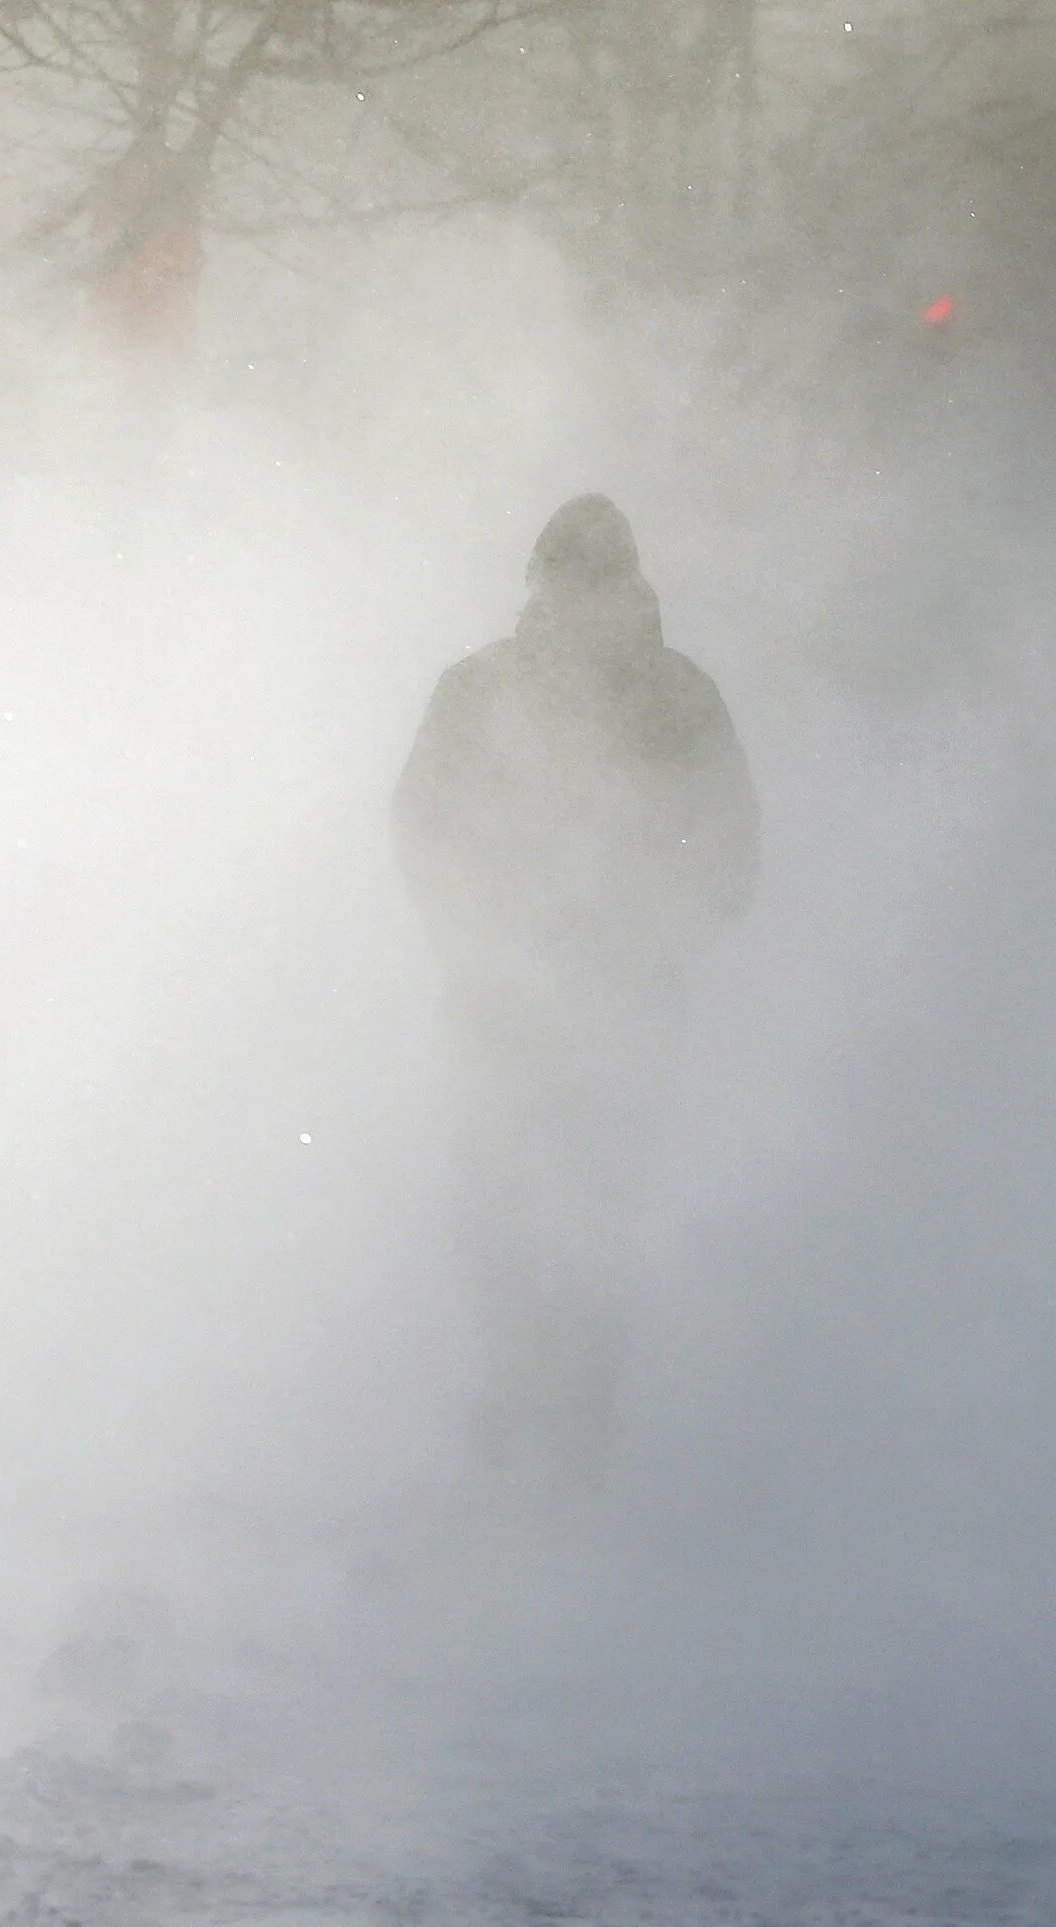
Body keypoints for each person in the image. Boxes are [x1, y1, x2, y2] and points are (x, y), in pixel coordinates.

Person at [392, 494, 759, 1478]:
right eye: (565, 579)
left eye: (587, 579)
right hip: (512, 997)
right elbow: (422, 827)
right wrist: (476, 936)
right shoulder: (483, 690)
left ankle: (570, 1426)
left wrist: (650, 935)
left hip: (612, 1000)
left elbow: (727, 851)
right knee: (516, 1207)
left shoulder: (672, 699)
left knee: (583, 1209)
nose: (574, 598)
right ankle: (527, 1410)